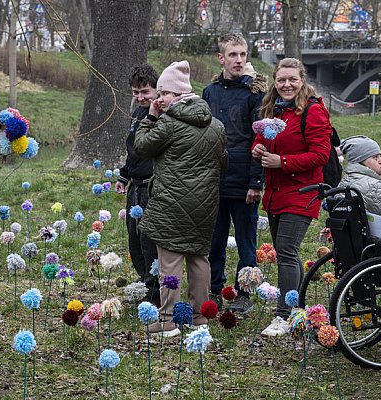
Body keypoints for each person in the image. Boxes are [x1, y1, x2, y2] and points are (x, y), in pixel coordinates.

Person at [134, 60, 227, 337]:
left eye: (164, 94)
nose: (159, 99)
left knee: (170, 263)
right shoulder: (216, 125)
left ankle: (168, 319)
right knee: (199, 258)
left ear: (177, 95)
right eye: (159, 94)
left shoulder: (168, 124)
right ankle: (200, 317)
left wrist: (150, 116)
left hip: (171, 203)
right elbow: (223, 163)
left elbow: (141, 146)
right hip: (205, 205)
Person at [252, 57, 332, 337]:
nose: (287, 85)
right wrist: (258, 149)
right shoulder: (273, 108)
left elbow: (320, 155)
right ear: (275, 81)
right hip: (276, 193)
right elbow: (262, 138)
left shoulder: (313, 112)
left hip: (303, 193)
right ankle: (297, 306)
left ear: (302, 81)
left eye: (292, 80)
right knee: (287, 252)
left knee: (285, 251)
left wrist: (282, 162)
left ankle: (284, 315)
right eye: (281, 80)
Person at [203, 33, 266, 314]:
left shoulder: (255, 93)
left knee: (246, 241)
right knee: (214, 240)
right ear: (221, 58)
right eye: (233, 55)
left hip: (244, 180)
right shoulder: (210, 92)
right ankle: (215, 289)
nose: (238, 60)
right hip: (214, 178)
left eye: (242, 54)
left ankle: (244, 292)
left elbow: (261, 141)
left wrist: (256, 182)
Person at [116, 63, 160, 306]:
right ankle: (145, 281)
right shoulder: (137, 113)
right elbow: (133, 150)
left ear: (156, 90)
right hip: (135, 185)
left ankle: (156, 291)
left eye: (145, 92)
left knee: (148, 240)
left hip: (152, 185)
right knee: (134, 238)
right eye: (136, 92)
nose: (141, 97)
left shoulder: (161, 114)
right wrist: (124, 175)